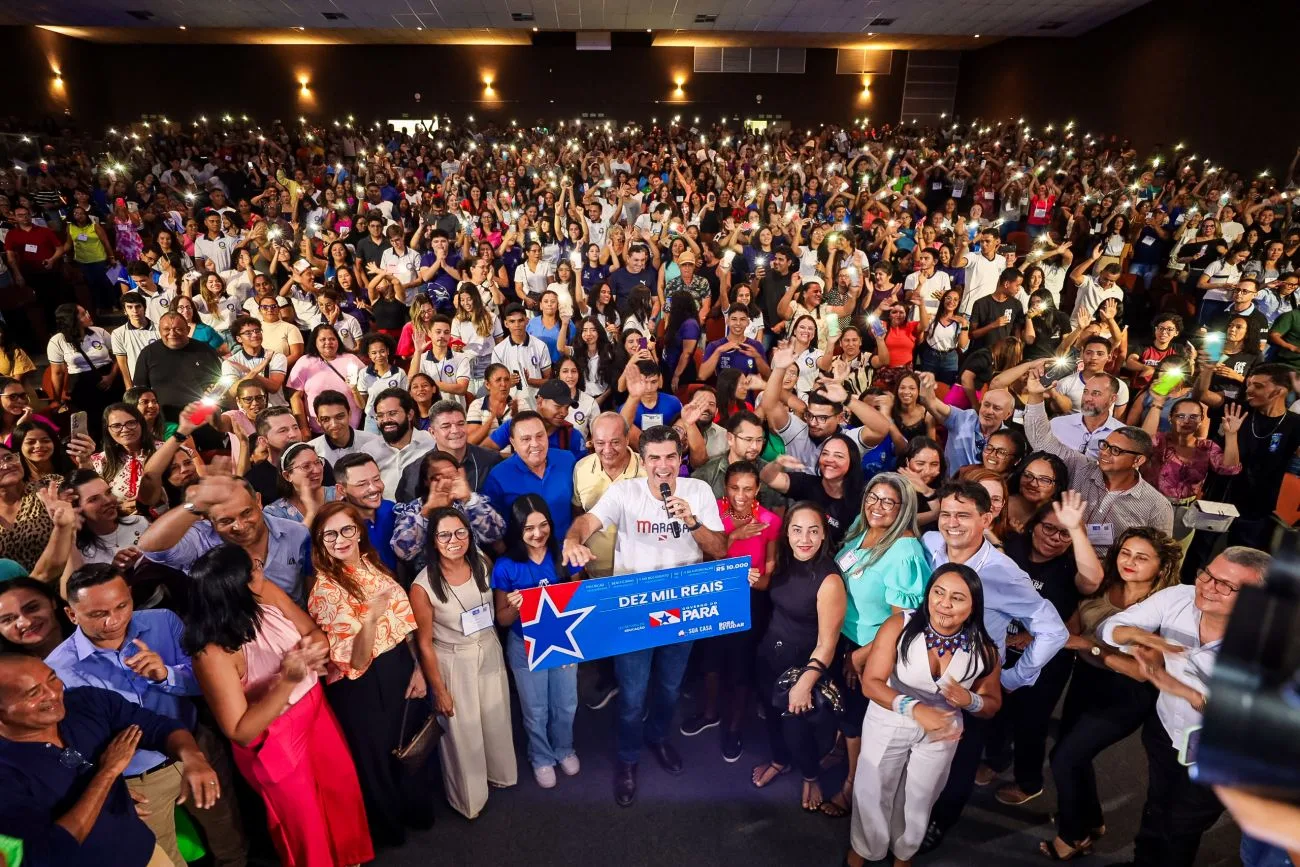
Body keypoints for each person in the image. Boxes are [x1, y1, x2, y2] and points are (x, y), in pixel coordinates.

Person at [562, 425, 726, 806]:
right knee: (633, 693)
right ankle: (628, 757)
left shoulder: (698, 491)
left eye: (671, 457)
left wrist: (693, 523)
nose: (663, 466)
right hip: (634, 609)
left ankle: (657, 736)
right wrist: (573, 538)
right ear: (643, 459)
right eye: (654, 458)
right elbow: (589, 521)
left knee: (669, 687)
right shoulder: (625, 492)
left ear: (681, 458)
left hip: (682, 607)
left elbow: (718, 548)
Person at [46, 564, 248, 867]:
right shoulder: (58, 669)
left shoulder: (164, 622)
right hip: (134, 781)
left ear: (130, 595)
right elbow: (63, 742)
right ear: (72, 614)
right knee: (160, 856)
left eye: (121, 606)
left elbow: (214, 684)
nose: (113, 621)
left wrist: (165, 674)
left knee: (228, 833)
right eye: (98, 614)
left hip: (197, 751)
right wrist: (105, 788)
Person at [184, 543, 373, 867]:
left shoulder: (263, 591)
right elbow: (240, 731)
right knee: (303, 822)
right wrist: (287, 680)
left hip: (316, 710)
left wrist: (314, 650)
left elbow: (311, 632)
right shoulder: (212, 653)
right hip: (275, 739)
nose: (260, 567)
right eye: (253, 569)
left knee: (339, 793)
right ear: (236, 589)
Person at [918, 480, 1069, 850]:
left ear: (986, 518)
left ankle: (940, 822)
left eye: (964, 515)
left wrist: (1014, 678)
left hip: (970, 684)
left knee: (960, 759)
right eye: (947, 514)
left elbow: (1054, 630)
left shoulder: (1004, 573)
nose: (952, 523)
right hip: (925, 671)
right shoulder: (933, 544)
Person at [1099, 547, 1271, 867]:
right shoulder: (1179, 597)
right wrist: (1135, 637)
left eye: (1225, 585)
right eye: (1207, 573)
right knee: (1156, 806)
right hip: (1166, 731)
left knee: (1182, 826)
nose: (1207, 586)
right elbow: (1109, 628)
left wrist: (1185, 691)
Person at [1039, 526, 1183, 860]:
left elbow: (1141, 671)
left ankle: (1072, 838)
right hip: (1085, 680)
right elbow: (1074, 623)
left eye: (1141, 557)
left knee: (1063, 758)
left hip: (1126, 694)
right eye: (1126, 553)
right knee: (1075, 754)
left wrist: (1091, 648)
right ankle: (1091, 821)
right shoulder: (1103, 580)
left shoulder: (1166, 608)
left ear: (1161, 568)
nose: (1129, 562)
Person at [846, 563, 1003, 867]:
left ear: (973, 607)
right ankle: (864, 849)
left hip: (942, 728)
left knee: (920, 795)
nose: (944, 603)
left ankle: (904, 853)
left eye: (957, 598)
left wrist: (970, 700)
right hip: (890, 715)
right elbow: (871, 683)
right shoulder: (899, 625)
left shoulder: (984, 650)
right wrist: (916, 710)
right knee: (873, 785)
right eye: (938, 592)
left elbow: (992, 703)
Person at [0, 653, 222, 867]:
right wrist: (107, 774)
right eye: (33, 693)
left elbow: (159, 728)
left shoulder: (86, 702)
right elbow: (52, 852)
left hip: (146, 852)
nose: (53, 694)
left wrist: (193, 758)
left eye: (52, 678)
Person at [305, 501, 432, 846]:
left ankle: (416, 812)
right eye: (329, 534)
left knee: (407, 744)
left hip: (399, 666)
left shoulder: (372, 564)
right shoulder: (325, 591)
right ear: (319, 541)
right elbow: (356, 662)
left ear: (359, 531)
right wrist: (370, 619)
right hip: (362, 685)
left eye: (347, 529)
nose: (340, 539)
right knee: (376, 760)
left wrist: (418, 669)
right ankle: (391, 833)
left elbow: (405, 625)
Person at [978, 493, 1102, 808]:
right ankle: (995, 760)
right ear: (1033, 526)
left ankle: (1029, 782)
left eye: (1064, 534)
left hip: (1046, 660)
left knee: (1031, 723)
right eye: (1048, 528)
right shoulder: (1015, 547)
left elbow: (1091, 582)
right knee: (997, 711)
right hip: (1000, 650)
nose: (1054, 539)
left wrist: (1076, 530)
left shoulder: (1070, 565)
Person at [830, 472, 931, 818]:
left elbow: (905, 621)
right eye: (874, 497)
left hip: (871, 649)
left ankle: (851, 786)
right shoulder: (864, 525)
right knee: (844, 708)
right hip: (845, 637)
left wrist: (862, 655)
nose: (878, 506)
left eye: (889, 502)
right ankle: (840, 747)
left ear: (904, 509)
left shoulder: (904, 551)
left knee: (858, 718)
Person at [409, 507, 517, 819]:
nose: (454, 540)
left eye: (460, 533)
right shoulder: (422, 586)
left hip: (488, 649)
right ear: (433, 540)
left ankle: (500, 774)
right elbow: (425, 644)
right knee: (463, 730)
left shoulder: (482, 563)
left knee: (496, 717)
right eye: (444, 534)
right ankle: (469, 800)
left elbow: (498, 609)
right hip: (453, 660)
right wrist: (439, 690)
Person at [748, 502, 847, 811]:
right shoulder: (785, 562)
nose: (805, 539)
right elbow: (770, 588)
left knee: (796, 725)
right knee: (772, 717)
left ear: (823, 537)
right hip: (769, 655)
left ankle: (810, 776)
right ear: (787, 533)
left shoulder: (829, 580)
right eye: (797, 530)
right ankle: (780, 761)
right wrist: (746, 576)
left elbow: (827, 643)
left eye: (813, 531)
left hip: (802, 665)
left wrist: (806, 682)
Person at [679, 460, 779, 760]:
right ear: (725, 487)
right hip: (713, 598)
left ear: (758, 489)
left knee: (740, 668)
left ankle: (734, 727)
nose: (740, 495)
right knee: (710, 661)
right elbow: (702, 561)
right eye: (734, 488)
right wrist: (733, 537)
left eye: (748, 489)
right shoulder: (713, 514)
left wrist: (747, 578)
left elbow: (768, 579)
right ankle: (710, 713)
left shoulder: (770, 521)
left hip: (749, 602)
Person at [1023, 366, 1174, 557]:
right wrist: (1035, 396)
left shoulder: (1156, 506)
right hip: (1063, 559)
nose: (1105, 453)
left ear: (1138, 460)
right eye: (1105, 445)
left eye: (1116, 450)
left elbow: (1160, 555)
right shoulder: (1081, 468)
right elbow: (1041, 440)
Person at [491, 495, 581, 788]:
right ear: (517, 530)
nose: (538, 534)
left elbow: (581, 598)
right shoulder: (506, 567)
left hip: (566, 641)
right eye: (529, 528)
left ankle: (564, 748)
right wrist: (515, 606)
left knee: (566, 703)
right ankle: (541, 756)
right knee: (536, 708)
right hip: (524, 644)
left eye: (543, 526)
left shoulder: (562, 556)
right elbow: (502, 620)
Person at [139, 474, 312, 603]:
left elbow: (312, 591)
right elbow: (150, 546)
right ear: (207, 519)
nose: (240, 526)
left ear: (258, 500)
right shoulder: (200, 540)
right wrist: (196, 504)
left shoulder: (297, 534)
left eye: (247, 513)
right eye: (226, 521)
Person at [482, 411, 577, 542]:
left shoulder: (567, 460)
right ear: (513, 443)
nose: (535, 444)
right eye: (526, 439)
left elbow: (578, 506)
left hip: (567, 551)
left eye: (540, 436)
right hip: (524, 556)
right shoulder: (498, 476)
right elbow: (492, 526)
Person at [131, 312, 223, 425]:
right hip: (164, 422)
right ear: (159, 331)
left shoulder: (205, 350)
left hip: (202, 419)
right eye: (166, 329)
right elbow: (140, 389)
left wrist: (214, 390)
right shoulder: (148, 353)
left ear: (188, 330)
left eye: (178, 329)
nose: (172, 333)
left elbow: (220, 382)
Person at [916, 371, 1015, 474]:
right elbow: (930, 401)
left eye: (996, 408)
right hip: (951, 486)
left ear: (1008, 414)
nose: (989, 411)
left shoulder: (1007, 440)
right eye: (986, 405)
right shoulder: (964, 418)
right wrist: (926, 383)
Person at [1049, 373, 1126, 460]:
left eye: (1096, 393)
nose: (1087, 398)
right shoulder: (1057, 424)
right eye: (1085, 392)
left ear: (1113, 399)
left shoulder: (1124, 436)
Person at [0, 577, 71, 657]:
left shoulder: (87, 635)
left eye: (32, 608)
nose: (26, 623)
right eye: (8, 619)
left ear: (52, 601)